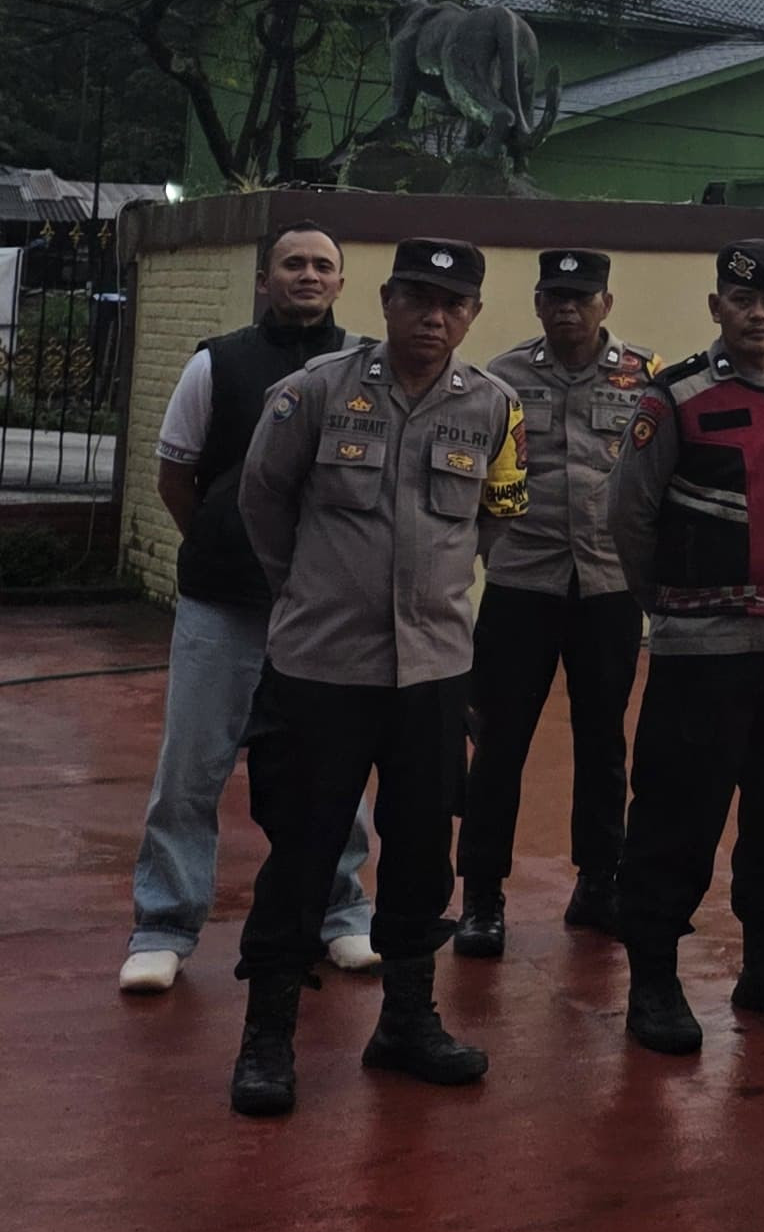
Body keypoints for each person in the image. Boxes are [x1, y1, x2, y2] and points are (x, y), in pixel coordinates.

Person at [226, 238, 529, 1119]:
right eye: (419, 299)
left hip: (433, 674)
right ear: (389, 300)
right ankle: (267, 1037)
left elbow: (496, 524)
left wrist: (437, 601)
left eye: (453, 304)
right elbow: (262, 505)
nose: (434, 318)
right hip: (322, 669)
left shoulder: (494, 409)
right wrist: (310, 596)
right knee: (303, 852)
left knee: (422, 853)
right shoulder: (313, 393)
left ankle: (405, 1021)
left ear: (471, 314)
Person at [119, 225, 377, 993]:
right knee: (191, 768)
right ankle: (163, 925)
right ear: (265, 279)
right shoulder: (218, 362)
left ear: (340, 282)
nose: (307, 275)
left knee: (336, 771)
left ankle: (342, 915)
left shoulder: (367, 366)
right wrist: (225, 539)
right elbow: (177, 475)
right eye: (292, 264)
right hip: (224, 606)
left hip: (328, 610)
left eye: (322, 265)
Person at [612, 239, 764, 1055]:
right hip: (702, 651)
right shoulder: (672, 399)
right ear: (717, 308)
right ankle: (654, 982)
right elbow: (630, 519)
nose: (758, 316)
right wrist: (671, 608)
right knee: (677, 817)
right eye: (741, 301)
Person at [454, 248, 654, 958]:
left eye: (581, 297)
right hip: (521, 584)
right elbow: (471, 474)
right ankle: (482, 896)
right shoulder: (502, 377)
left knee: (604, 743)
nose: (567, 309)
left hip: (607, 587)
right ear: (538, 304)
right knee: (499, 742)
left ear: (606, 303)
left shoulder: (645, 378)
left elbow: (654, 480)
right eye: (554, 297)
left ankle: (599, 884)